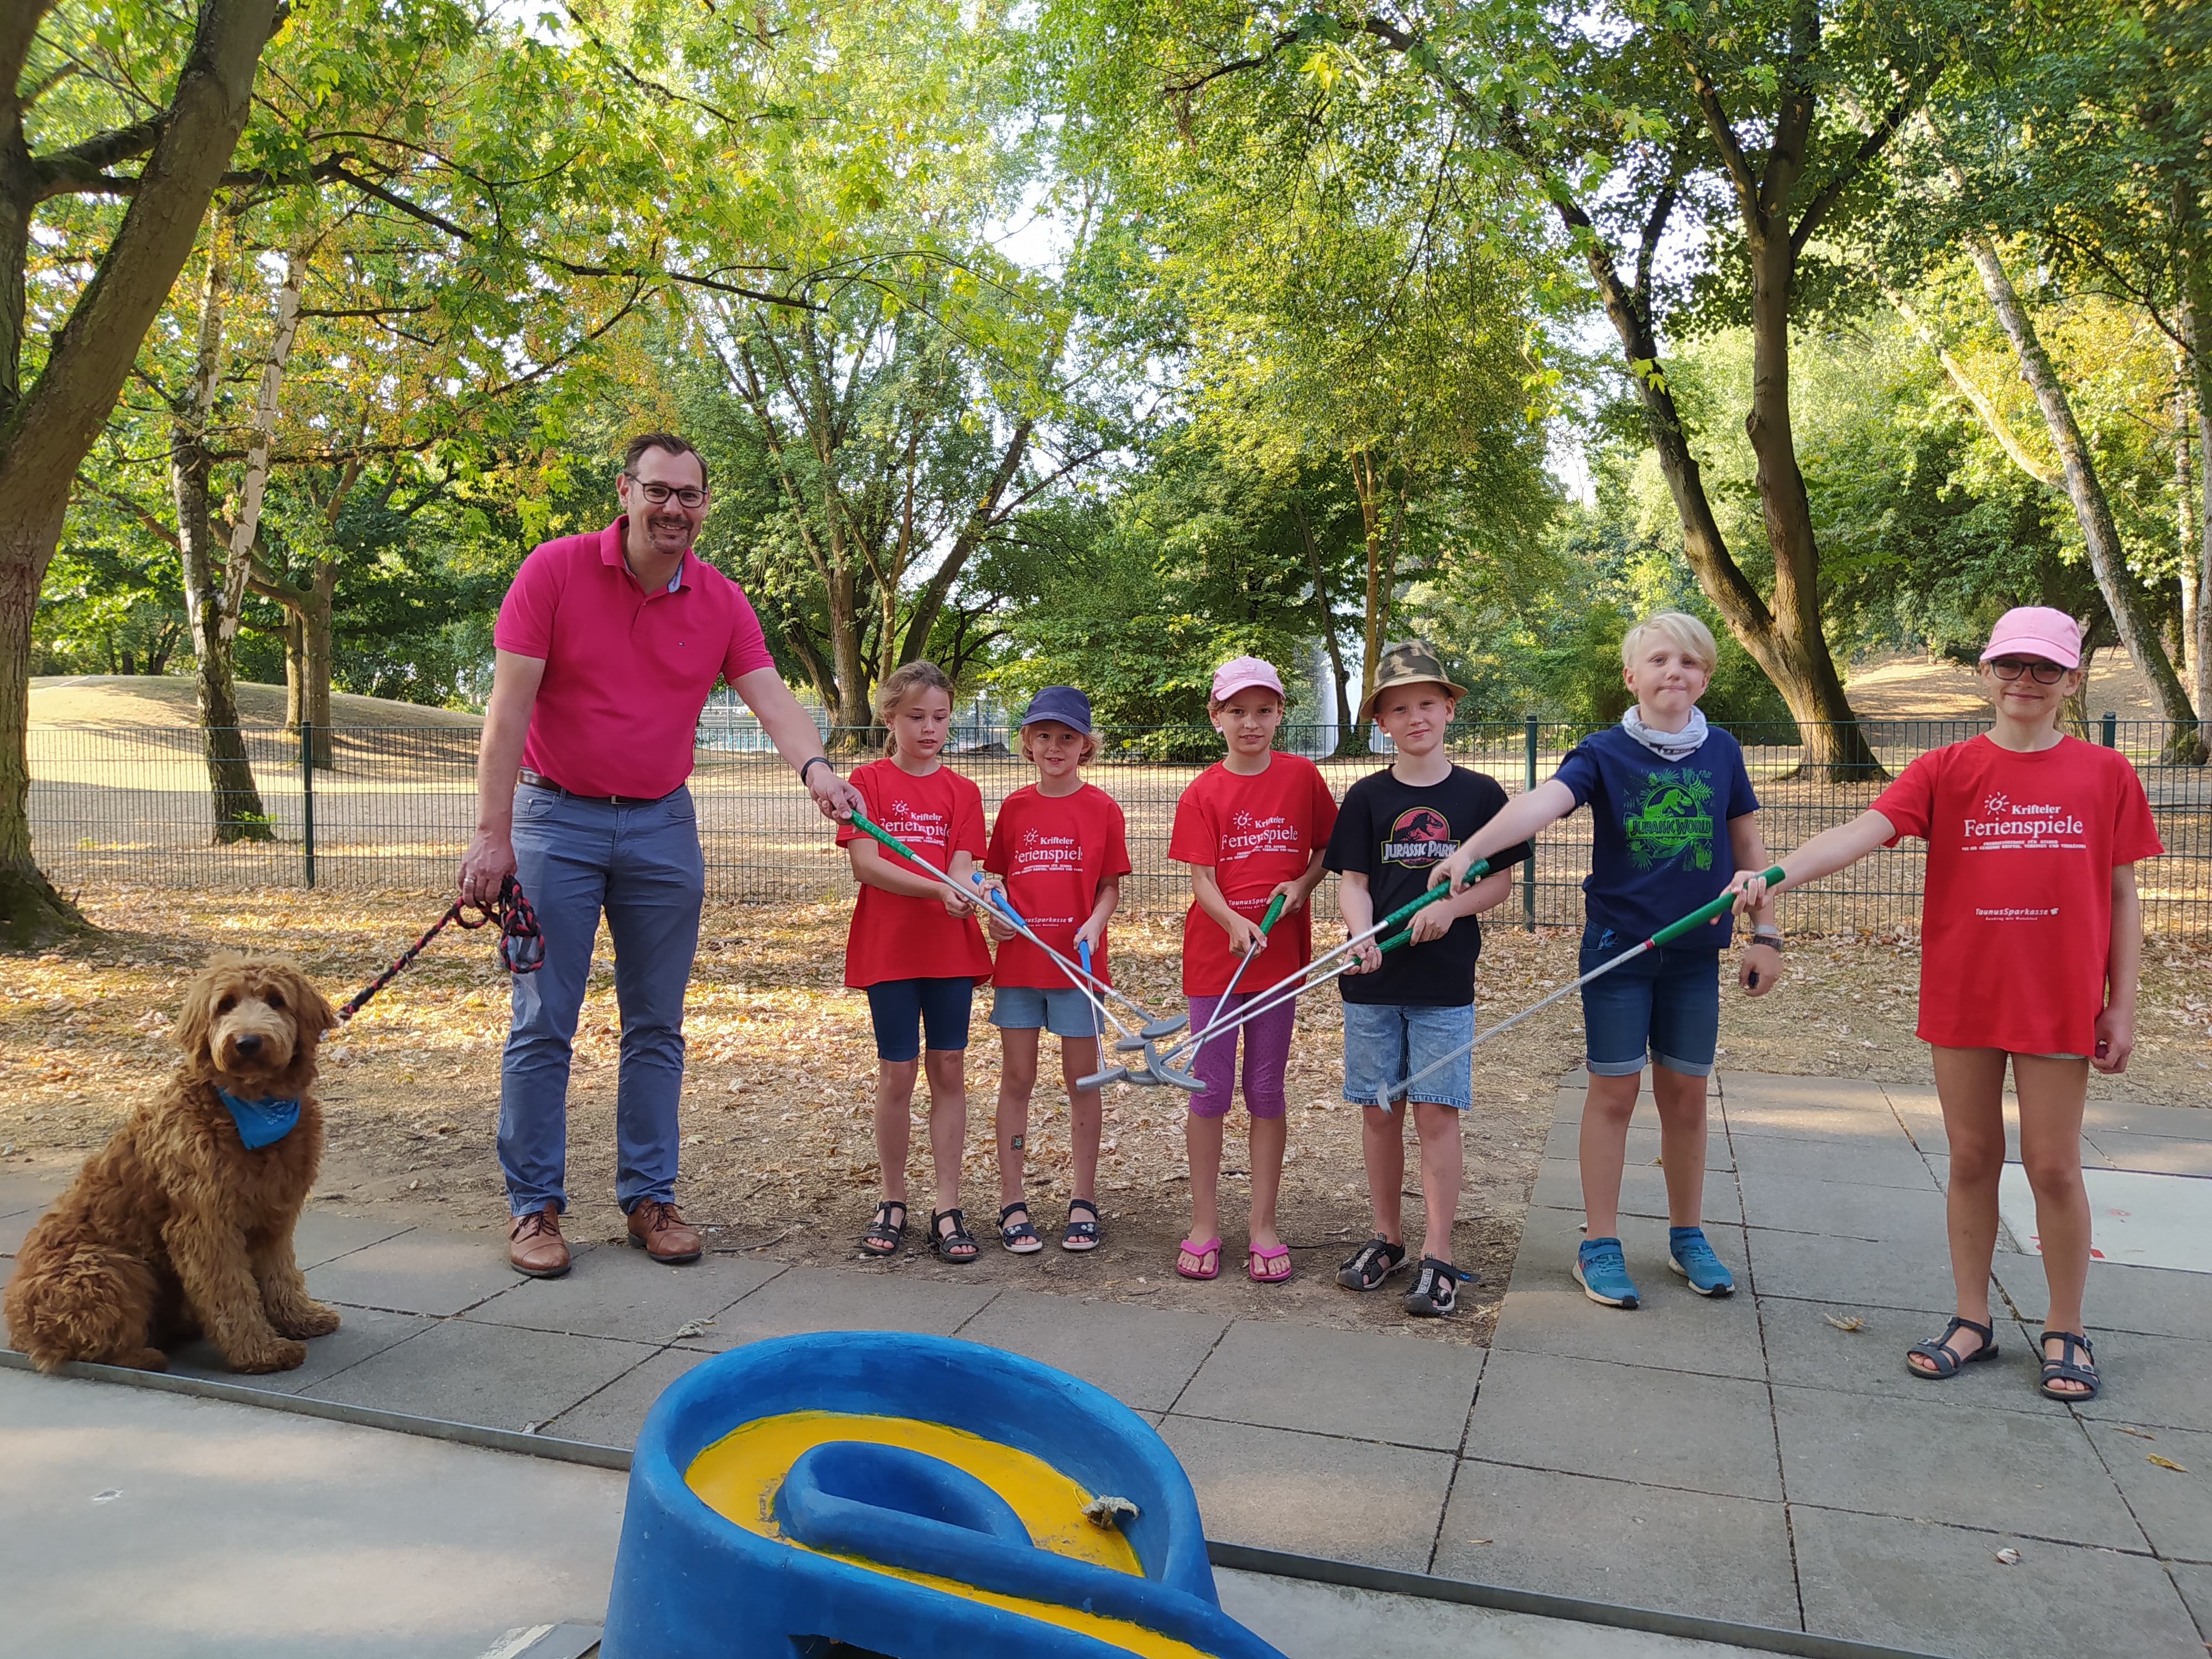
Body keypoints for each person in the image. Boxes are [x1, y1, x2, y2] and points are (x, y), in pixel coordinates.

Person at [1728, 607, 2162, 1401]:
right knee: (1970, 1157)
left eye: (2043, 669)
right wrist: (1777, 875)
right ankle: (1972, 1320)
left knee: (2055, 1167)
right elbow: (1863, 829)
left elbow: (2123, 896)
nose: (2024, 682)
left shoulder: (2107, 775)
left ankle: (2066, 1327)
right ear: (1987, 674)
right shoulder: (1947, 769)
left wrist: (2120, 1006)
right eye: (2010, 666)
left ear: (2071, 680)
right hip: (1965, 992)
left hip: (2058, 1000)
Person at [460, 432, 862, 1280]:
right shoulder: (555, 571)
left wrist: (819, 770)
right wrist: (493, 836)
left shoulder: (720, 599)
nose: (674, 508)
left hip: (661, 826)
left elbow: (770, 695)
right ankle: (533, 1207)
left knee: (657, 1026)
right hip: (553, 819)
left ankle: (650, 1196)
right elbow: (506, 713)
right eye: (659, 491)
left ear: (705, 505)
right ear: (626, 492)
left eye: (691, 495)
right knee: (543, 1022)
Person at [1432, 611, 1782, 1310]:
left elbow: (1749, 854)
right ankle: (1598, 1244)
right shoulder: (1602, 752)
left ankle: (1687, 1235)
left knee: (1685, 1096)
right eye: (1657, 661)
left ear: (1704, 676)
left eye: (1687, 662)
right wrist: (1471, 850)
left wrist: (1765, 933)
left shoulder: (1723, 752)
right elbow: (1542, 803)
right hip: (1618, 952)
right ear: (1631, 676)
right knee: (1615, 1094)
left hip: (1694, 957)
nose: (1672, 672)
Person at [1327, 644, 1531, 1317]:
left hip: (1443, 982)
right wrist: (1361, 936)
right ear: (1381, 722)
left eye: (1426, 703)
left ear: (1448, 708)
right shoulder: (1366, 797)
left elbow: (1497, 882)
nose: (1415, 716)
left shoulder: (1479, 796)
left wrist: (1451, 906)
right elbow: (1354, 884)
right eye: (1398, 708)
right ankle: (1388, 1239)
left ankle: (1438, 1252)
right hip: (1373, 983)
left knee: (1436, 1114)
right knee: (1379, 1112)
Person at [1168, 656, 1338, 1283]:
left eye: (1263, 711)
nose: (1251, 723)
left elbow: (1325, 847)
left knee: (1265, 1091)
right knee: (1209, 1092)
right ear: (1216, 717)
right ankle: (1205, 1224)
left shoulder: (1301, 778)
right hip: (1215, 964)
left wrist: (1304, 881)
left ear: (1279, 716)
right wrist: (1231, 923)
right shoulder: (1203, 791)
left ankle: (1263, 1225)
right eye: (1237, 711)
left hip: (1278, 962)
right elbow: (1202, 879)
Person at [838, 660, 995, 1265]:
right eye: (916, 718)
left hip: (948, 947)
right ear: (889, 718)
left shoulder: (963, 791)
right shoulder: (867, 781)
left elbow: (961, 864)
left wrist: (959, 889)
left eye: (940, 718)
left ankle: (948, 1206)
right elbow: (867, 864)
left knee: (949, 1067)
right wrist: (934, 890)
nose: (929, 729)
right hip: (890, 946)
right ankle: (892, 1199)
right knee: (897, 1074)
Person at [980, 687, 1130, 1255]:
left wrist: (1095, 921)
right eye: (1043, 735)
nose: (1055, 746)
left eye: (1067, 737)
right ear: (1027, 742)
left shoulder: (1102, 809)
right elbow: (994, 883)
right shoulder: (1015, 808)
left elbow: (1109, 886)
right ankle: (1012, 1201)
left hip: (1077, 968)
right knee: (1016, 1080)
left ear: (1085, 745)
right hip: (1020, 968)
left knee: (1082, 1081)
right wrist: (995, 919)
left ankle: (1082, 1200)